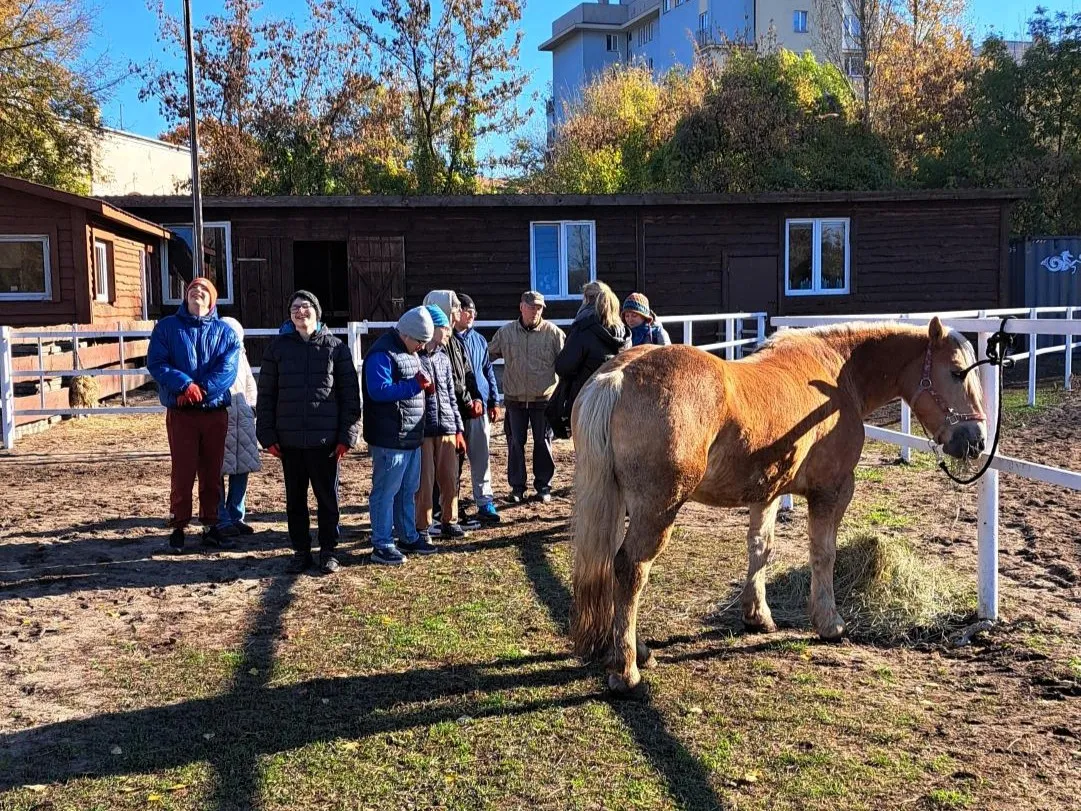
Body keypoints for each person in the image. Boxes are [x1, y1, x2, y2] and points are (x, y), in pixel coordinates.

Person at [256, 290, 361, 575]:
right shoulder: (277, 349)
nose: (300, 312)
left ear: (316, 311)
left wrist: (346, 436)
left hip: (325, 441)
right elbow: (265, 395)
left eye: (305, 307)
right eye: (295, 308)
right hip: (289, 441)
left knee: (327, 498)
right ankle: (300, 551)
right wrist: (266, 434)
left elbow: (350, 396)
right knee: (295, 501)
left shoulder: (336, 348)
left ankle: (329, 550)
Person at [147, 277, 241, 553]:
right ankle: (179, 524)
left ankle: (212, 524)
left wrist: (201, 389)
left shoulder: (225, 333)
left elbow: (228, 369)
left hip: (213, 412)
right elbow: (157, 362)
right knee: (183, 470)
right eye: (192, 290)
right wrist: (183, 385)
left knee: (212, 470)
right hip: (182, 413)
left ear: (212, 300)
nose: (196, 294)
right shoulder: (167, 328)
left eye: (203, 291)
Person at [362, 306, 436, 566]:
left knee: (408, 489)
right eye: (420, 341)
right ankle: (381, 543)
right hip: (390, 438)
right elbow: (378, 391)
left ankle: (407, 535)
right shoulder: (382, 354)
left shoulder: (407, 351)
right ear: (407, 335)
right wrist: (415, 385)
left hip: (410, 436)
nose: (422, 347)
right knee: (385, 491)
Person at [488, 290, 565, 504]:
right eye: (531, 307)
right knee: (515, 443)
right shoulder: (506, 333)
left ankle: (543, 486)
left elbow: (567, 363)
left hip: (544, 398)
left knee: (543, 442)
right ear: (521, 306)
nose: (535, 311)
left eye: (539, 307)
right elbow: (487, 357)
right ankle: (517, 487)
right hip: (515, 399)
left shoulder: (554, 334)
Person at [422, 290, 482, 532]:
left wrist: (476, 396)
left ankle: (450, 512)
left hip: (453, 416)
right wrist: (467, 401)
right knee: (432, 470)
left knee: (452, 466)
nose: (459, 311)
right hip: (439, 417)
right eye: (455, 307)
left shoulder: (456, 341)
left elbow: (467, 373)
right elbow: (451, 385)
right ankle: (434, 514)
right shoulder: (433, 347)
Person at [550, 281, 631, 439]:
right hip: (620, 400)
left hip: (589, 401)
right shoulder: (625, 334)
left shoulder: (583, 330)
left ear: (587, 300)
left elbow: (564, 367)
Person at [416, 304, 468, 540]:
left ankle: (450, 519)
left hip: (446, 426)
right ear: (433, 328)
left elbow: (450, 397)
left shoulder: (444, 359)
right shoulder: (415, 358)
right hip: (424, 429)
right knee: (425, 480)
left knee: (450, 477)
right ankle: (423, 525)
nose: (448, 333)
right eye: (445, 328)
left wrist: (458, 428)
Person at [454, 294, 502, 526]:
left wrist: (493, 400)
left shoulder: (479, 341)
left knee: (481, 457)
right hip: (457, 410)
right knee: (452, 461)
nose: (471, 314)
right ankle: (449, 504)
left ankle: (484, 501)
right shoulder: (448, 341)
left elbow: (487, 371)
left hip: (479, 408)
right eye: (466, 310)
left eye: (473, 311)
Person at [218, 317, 260, 537]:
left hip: (242, 416)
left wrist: (251, 407)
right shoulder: (212, 353)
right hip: (220, 416)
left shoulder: (241, 355)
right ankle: (219, 517)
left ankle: (236, 514)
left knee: (241, 468)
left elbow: (250, 382)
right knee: (216, 469)